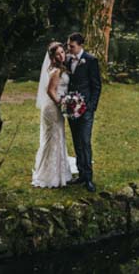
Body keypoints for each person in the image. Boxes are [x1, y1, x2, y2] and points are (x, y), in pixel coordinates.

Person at [32, 42, 77, 188]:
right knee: (53, 138)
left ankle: (58, 172)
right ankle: (49, 175)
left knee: (57, 137)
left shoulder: (58, 68)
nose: (62, 55)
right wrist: (62, 104)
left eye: (63, 52)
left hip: (55, 106)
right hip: (53, 107)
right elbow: (50, 90)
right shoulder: (56, 71)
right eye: (58, 54)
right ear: (52, 56)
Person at [65, 32, 102, 192]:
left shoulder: (91, 60)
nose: (69, 48)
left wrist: (91, 106)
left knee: (85, 141)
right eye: (68, 45)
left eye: (71, 46)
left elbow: (96, 86)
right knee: (77, 142)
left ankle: (88, 177)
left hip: (86, 109)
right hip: (71, 107)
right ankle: (80, 173)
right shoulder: (67, 60)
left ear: (80, 45)